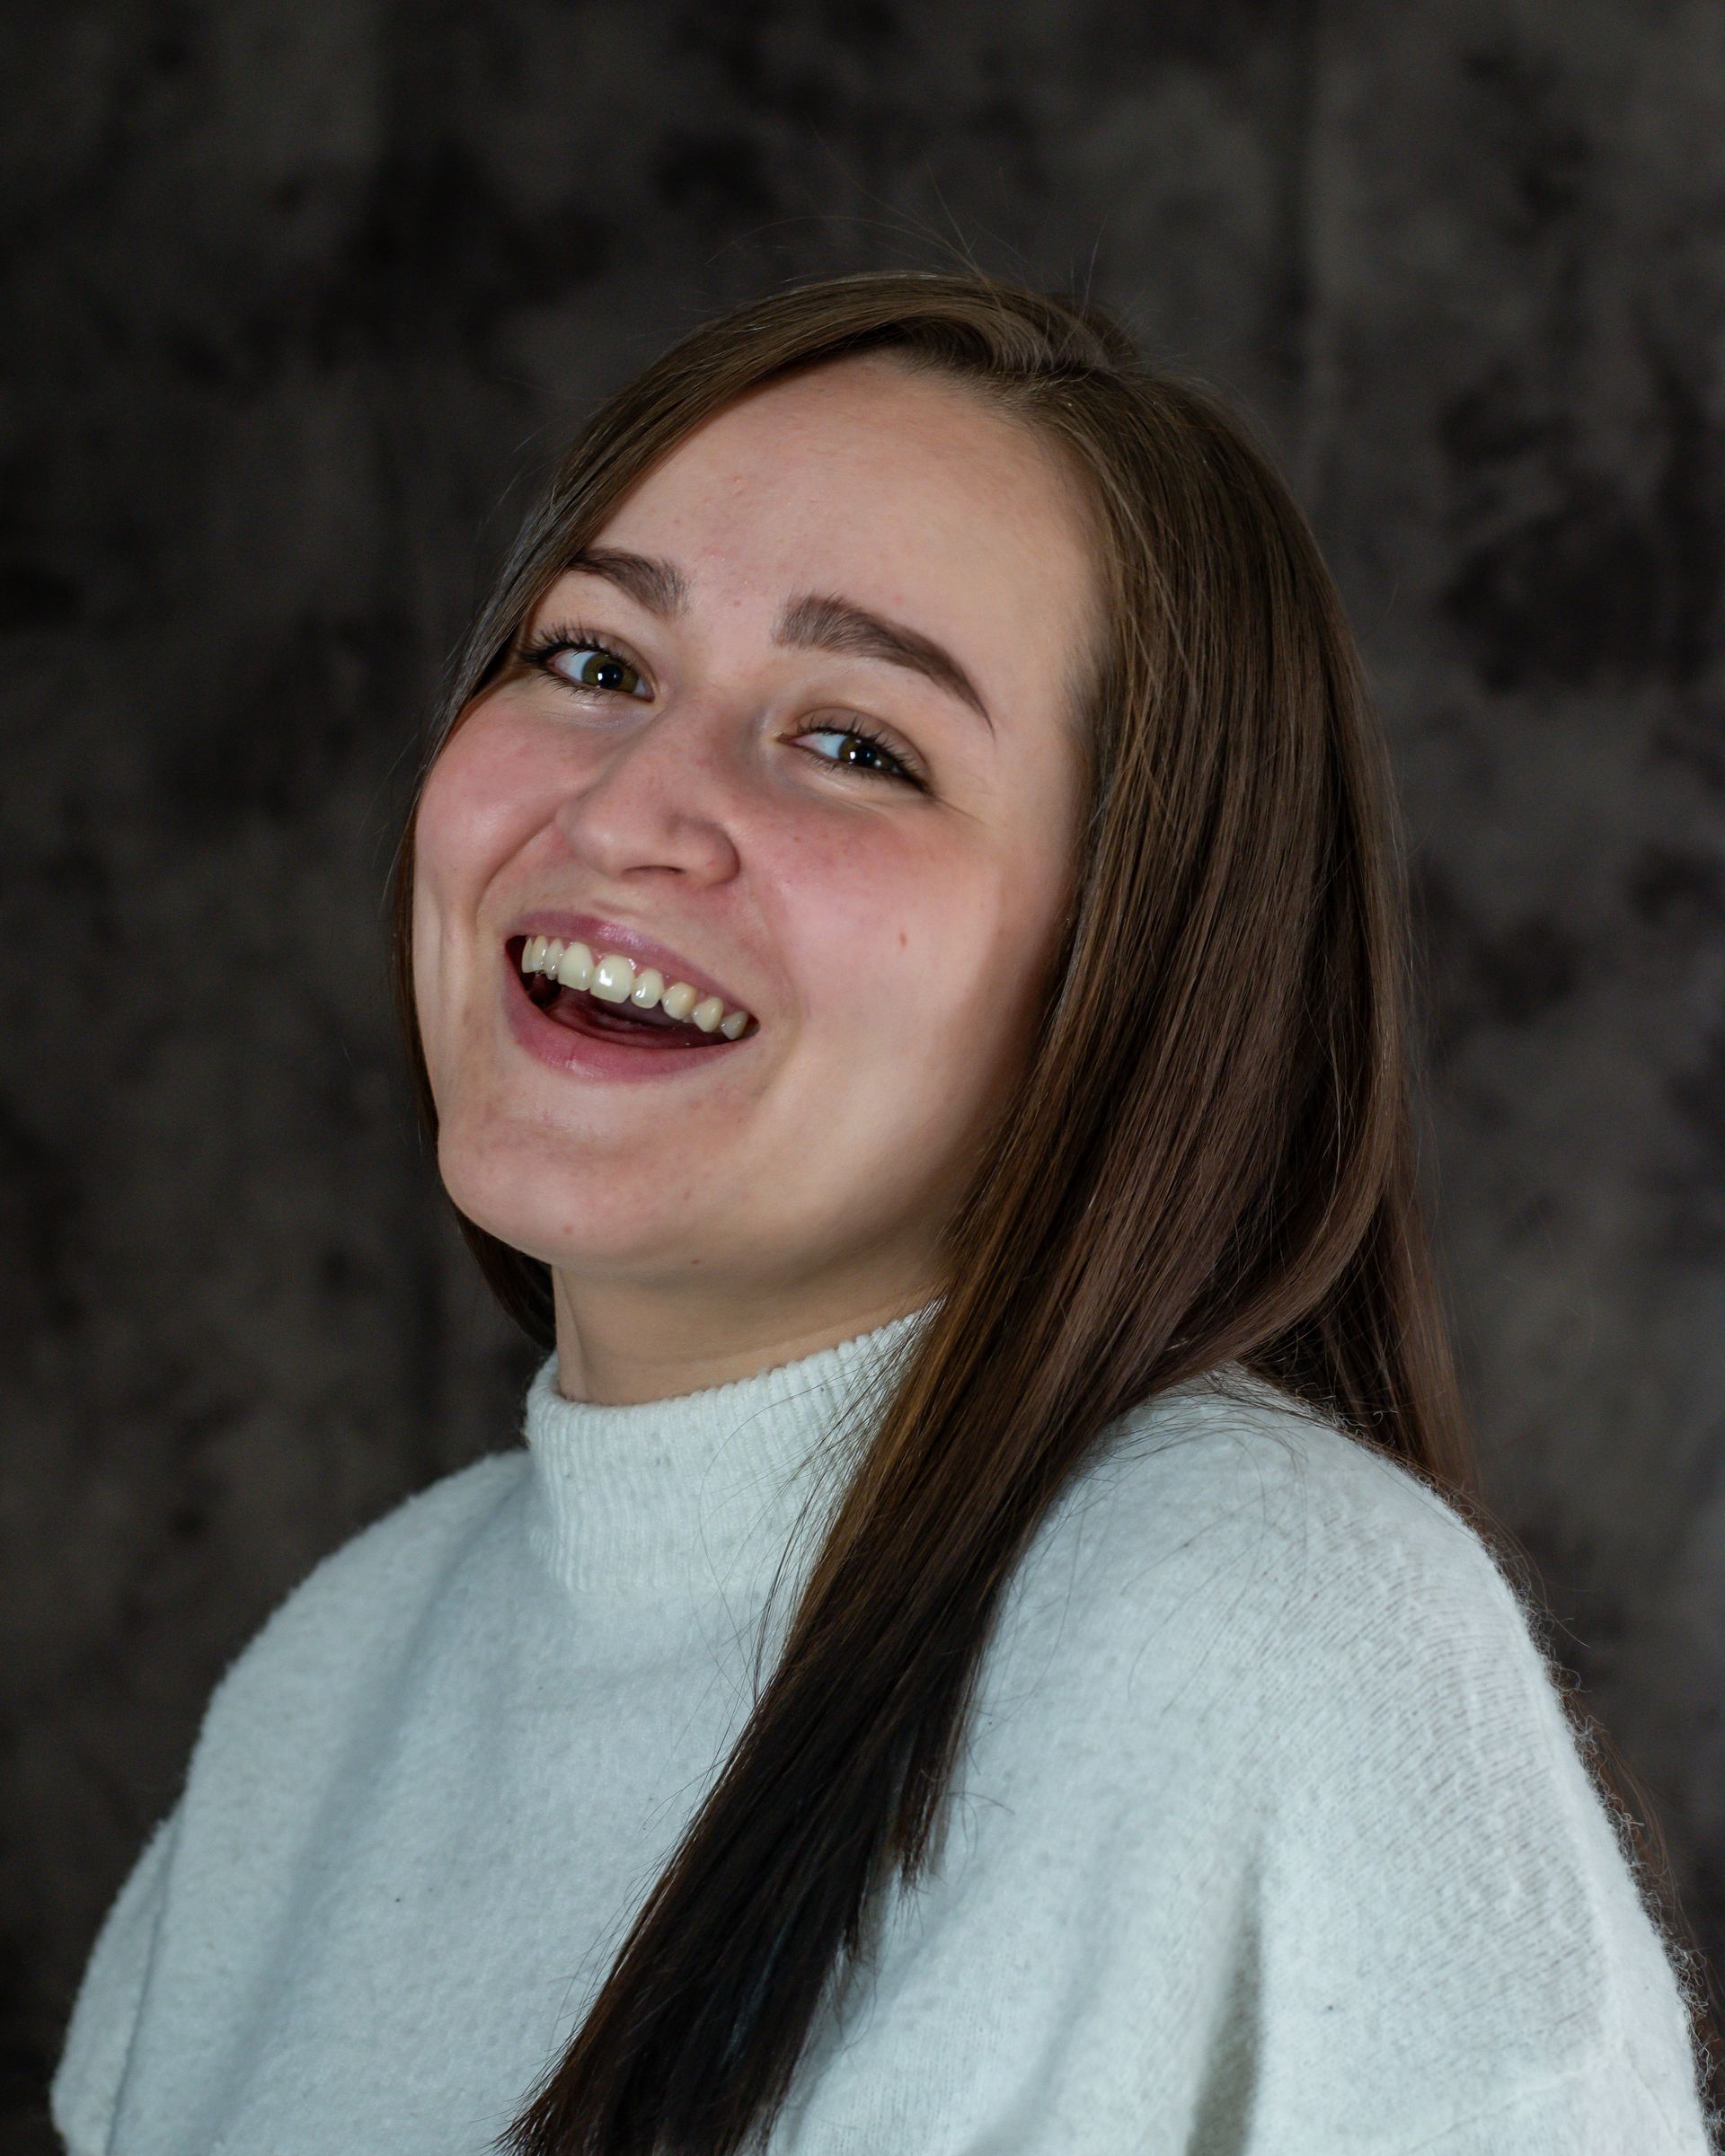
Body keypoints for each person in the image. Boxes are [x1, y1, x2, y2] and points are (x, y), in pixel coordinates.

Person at [50, 271, 1719, 2156]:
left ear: (1126, 968)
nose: (626, 814)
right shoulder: (332, 1683)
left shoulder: (1271, 1632)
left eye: (857, 743)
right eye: (594, 661)